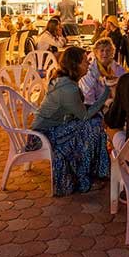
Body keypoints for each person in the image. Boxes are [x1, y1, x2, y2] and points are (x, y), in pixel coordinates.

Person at [30, 47, 110, 196]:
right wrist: (106, 93)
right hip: (42, 136)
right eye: (85, 62)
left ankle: (94, 171)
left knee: (95, 121)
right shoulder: (68, 88)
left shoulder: (66, 81)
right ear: (76, 65)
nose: (88, 64)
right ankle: (84, 178)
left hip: (55, 127)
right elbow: (84, 116)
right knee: (91, 125)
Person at [80, 37, 125, 109]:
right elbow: (88, 99)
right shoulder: (89, 72)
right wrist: (105, 103)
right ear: (95, 53)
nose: (105, 53)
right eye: (102, 51)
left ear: (113, 52)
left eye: (108, 50)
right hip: (96, 109)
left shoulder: (119, 69)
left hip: (117, 108)